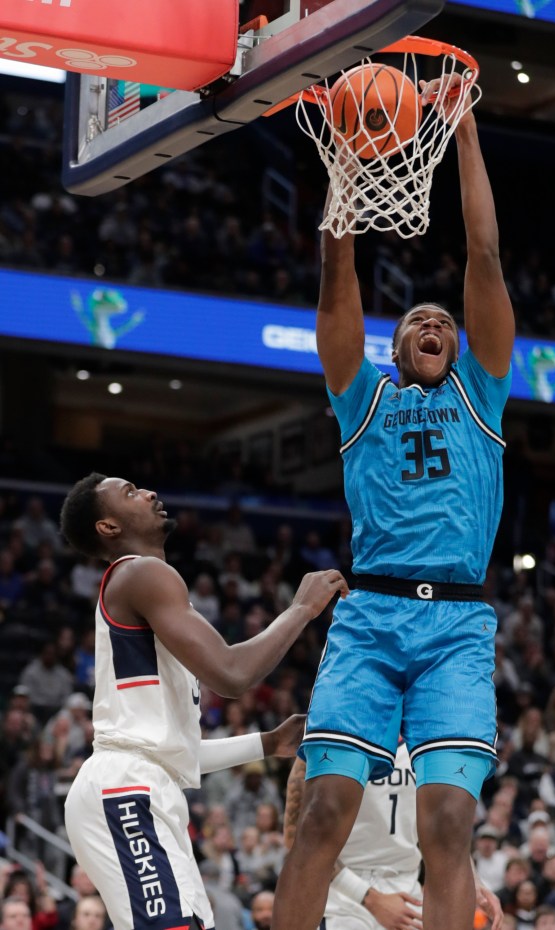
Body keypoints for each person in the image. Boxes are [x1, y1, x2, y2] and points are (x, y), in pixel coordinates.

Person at [271, 74, 514, 930]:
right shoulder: (362, 398)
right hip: (371, 618)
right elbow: (337, 274)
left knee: (447, 827)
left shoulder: (481, 394)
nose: (432, 325)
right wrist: (344, 162)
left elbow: (484, 256)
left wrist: (465, 128)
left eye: (443, 320)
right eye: (416, 320)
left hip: (457, 626)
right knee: (323, 814)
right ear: (395, 345)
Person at [59, 472, 348, 930]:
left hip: (144, 786)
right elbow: (232, 674)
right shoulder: (141, 572)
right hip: (126, 789)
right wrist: (301, 610)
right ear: (108, 527)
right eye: (130, 492)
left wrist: (268, 743)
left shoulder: (148, 588)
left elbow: (174, 752)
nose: (150, 492)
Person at [284, 740, 503, 930]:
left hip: (406, 890)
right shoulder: (332, 734)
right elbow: (295, 839)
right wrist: (369, 898)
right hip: (344, 895)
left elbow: (443, 830)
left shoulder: (430, 739)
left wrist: (474, 881)